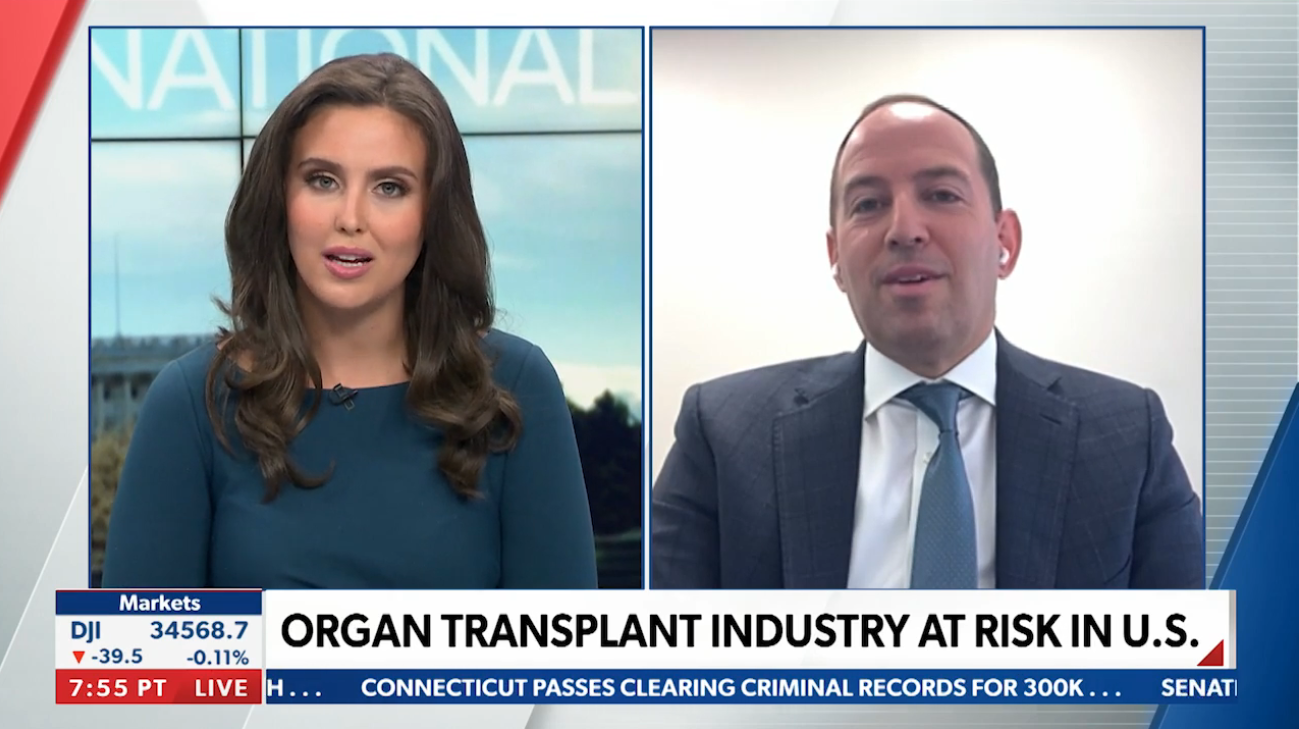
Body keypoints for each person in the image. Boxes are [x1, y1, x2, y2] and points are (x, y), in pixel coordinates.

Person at [651, 94, 1203, 590]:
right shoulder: (723, 434)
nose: (905, 229)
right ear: (836, 258)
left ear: (1005, 241)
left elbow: (1201, 653)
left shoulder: (1128, 437)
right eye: (868, 204)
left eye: (941, 194)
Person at [101, 53, 598, 589]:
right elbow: (140, 645)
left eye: (390, 187)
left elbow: (561, 641)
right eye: (322, 180)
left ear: (432, 214)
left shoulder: (514, 388)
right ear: (279, 198)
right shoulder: (192, 405)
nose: (351, 218)